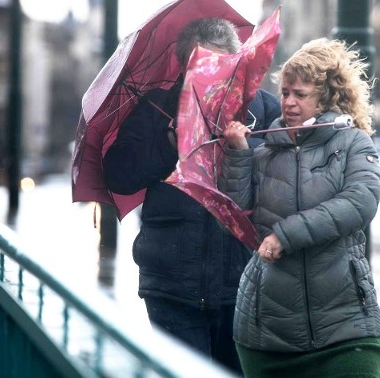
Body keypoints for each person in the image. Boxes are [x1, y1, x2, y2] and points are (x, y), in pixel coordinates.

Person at [102, 18, 280, 375]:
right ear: (185, 66)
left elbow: (283, 186)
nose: (212, 74)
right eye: (202, 65)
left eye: (222, 65)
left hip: (242, 283)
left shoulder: (263, 108)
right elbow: (118, 175)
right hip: (171, 283)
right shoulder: (157, 108)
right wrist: (168, 143)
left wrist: (242, 152)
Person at [218, 38, 380, 377]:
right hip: (268, 334)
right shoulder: (264, 151)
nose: (289, 103)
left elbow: (360, 201)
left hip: (345, 325)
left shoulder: (353, 142)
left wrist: (286, 235)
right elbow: (236, 216)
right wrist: (238, 152)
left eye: (300, 94)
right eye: (285, 93)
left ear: (325, 97)